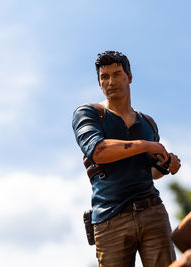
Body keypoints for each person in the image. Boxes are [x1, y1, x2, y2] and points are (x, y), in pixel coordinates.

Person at [72, 51, 181, 267]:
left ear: (129, 77)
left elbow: (149, 172)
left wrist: (167, 165)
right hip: (110, 218)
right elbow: (99, 151)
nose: (110, 82)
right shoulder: (89, 114)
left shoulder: (148, 123)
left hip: (152, 212)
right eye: (104, 77)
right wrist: (145, 145)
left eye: (116, 74)